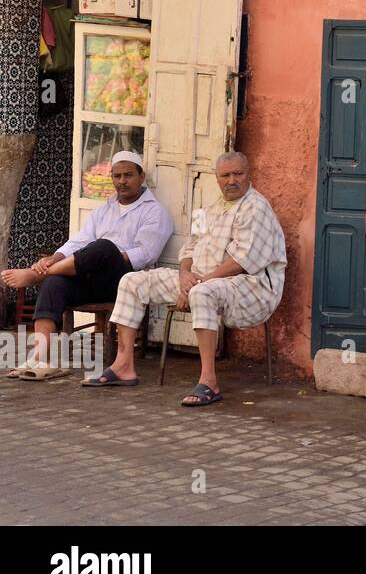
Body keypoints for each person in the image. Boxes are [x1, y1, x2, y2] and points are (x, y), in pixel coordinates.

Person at [83, 151, 286, 406]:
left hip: (252, 286)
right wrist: (185, 274)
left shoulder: (257, 208)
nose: (231, 180)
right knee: (132, 282)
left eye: (238, 174)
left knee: (203, 293)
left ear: (249, 174)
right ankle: (124, 365)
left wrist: (197, 284)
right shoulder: (208, 208)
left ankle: (209, 381)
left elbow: (242, 263)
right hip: (201, 280)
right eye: (225, 175)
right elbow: (189, 249)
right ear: (217, 178)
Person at [2, 150, 173, 380]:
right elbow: (79, 241)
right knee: (55, 282)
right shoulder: (104, 210)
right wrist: (54, 259)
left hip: (126, 282)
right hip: (93, 278)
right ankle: (40, 357)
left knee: (103, 247)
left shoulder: (155, 212)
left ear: (141, 177)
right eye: (117, 176)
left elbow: (145, 254)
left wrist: (105, 256)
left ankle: (35, 275)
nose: (122, 181)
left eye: (128, 175)